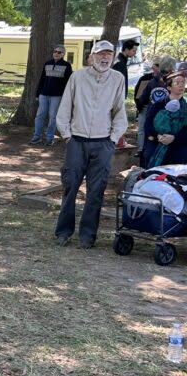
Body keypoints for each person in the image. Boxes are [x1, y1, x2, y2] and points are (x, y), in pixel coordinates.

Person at [53, 41, 129, 249]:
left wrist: (113, 139)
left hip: (102, 142)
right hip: (76, 140)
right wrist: (67, 135)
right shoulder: (77, 77)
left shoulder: (117, 79)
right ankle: (63, 232)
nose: (105, 58)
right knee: (70, 186)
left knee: (96, 190)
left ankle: (87, 236)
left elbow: (119, 111)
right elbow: (65, 107)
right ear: (92, 56)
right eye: (101, 54)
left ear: (113, 58)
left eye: (109, 55)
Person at [30, 45, 73, 145]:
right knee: (39, 116)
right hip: (43, 95)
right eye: (55, 51)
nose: (56, 53)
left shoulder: (67, 65)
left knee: (53, 117)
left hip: (57, 96)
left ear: (63, 54)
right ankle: (37, 137)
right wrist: (38, 94)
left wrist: (66, 97)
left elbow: (68, 83)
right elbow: (42, 79)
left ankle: (49, 139)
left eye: (59, 52)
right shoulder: (47, 63)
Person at [146, 72, 187, 167]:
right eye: (177, 82)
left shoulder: (186, 107)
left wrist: (174, 138)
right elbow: (148, 124)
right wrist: (158, 136)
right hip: (158, 141)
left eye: (183, 82)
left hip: (179, 143)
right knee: (149, 154)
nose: (181, 85)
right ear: (169, 87)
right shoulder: (158, 105)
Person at [135, 56, 174, 153]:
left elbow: (142, 99)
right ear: (171, 68)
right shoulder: (173, 82)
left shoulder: (152, 82)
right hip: (167, 118)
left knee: (150, 145)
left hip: (152, 117)